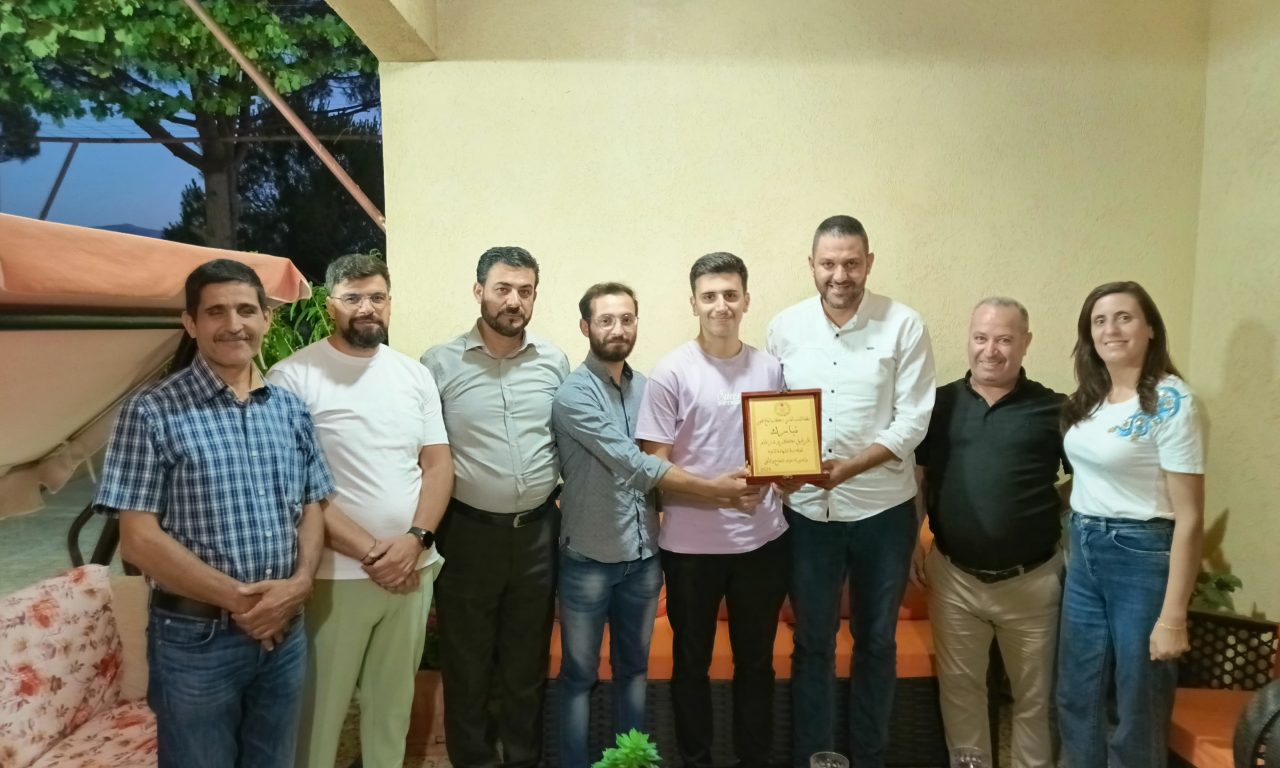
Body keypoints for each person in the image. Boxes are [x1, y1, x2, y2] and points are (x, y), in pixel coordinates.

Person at [94, 259, 334, 768]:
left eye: (246, 310)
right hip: (195, 640)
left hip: (284, 633)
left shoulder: (290, 410)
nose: (234, 324)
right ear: (191, 323)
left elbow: (312, 505)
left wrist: (300, 584)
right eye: (216, 312)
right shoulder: (151, 411)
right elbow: (138, 539)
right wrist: (244, 602)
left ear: (266, 318)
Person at [553, 282, 763, 768]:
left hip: (645, 559)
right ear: (585, 327)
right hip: (588, 561)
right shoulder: (572, 394)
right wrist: (717, 489)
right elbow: (635, 464)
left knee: (633, 673)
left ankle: (632, 764)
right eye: (606, 320)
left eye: (627, 319)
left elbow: (677, 455)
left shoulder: (648, 387)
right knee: (580, 676)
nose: (618, 329)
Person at [267, 254, 453, 768]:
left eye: (376, 297)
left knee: (391, 712)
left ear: (390, 303)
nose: (367, 307)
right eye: (353, 298)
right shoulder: (292, 377)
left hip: (412, 571)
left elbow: (438, 464)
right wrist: (375, 554)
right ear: (330, 306)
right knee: (319, 716)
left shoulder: (414, 375)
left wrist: (415, 540)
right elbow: (297, 489)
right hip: (336, 578)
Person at [765, 215, 935, 768]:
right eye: (829, 263)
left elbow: (914, 421)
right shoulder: (784, 327)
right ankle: (814, 758)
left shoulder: (904, 325)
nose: (840, 275)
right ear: (811, 265)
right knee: (812, 643)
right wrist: (776, 467)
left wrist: (849, 468)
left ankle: (869, 756)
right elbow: (772, 415)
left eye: (851, 263)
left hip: (883, 513)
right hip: (807, 515)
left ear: (869, 263)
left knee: (876, 642)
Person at [636, 252, 790, 768]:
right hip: (690, 551)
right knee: (691, 665)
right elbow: (653, 466)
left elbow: (781, 450)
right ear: (693, 303)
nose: (720, 305)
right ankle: (696, 760)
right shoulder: (670, 372)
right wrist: (717, 491)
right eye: (709, 296)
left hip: (763, 544)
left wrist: (791, 475)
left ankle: (755, 760)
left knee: (757, 665)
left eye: (730, 295)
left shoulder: (770, 368)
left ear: (746, 300)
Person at [421, 246, 570, 768]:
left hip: (538, 533)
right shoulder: (438, 364)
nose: (514, 301)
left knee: (526, 663)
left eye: (525, 291)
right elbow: (422, 453)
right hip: (467, 534)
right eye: (503, 288)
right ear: (479, 290)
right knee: (467, 665)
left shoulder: (554, 361)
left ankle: (524, 760)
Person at [912, 297, 1068, 766]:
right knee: (961, 694)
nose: (991, 350)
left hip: (1033, 582)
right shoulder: (938, 405)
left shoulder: (1056, 408)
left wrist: (1046, 506)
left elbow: (1090, 477)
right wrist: (913, 539)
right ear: (969, 339)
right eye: (981, 338)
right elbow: (919, 477)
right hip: (955, 579)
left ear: (1025, 342)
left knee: (1035, 701)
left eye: (1004, 339)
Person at [1056, 281, 1205, 767]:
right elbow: (1092, 476)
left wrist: (1173, 617)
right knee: (1077, 693)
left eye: (1124, 317)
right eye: (1099, 321)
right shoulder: (1091, 398)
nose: (1111, 329)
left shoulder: (1172, 401)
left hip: (1141, 556)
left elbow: (1190, 517)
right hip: (1084, 550)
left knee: (1137, 701)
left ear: (1150, 328)